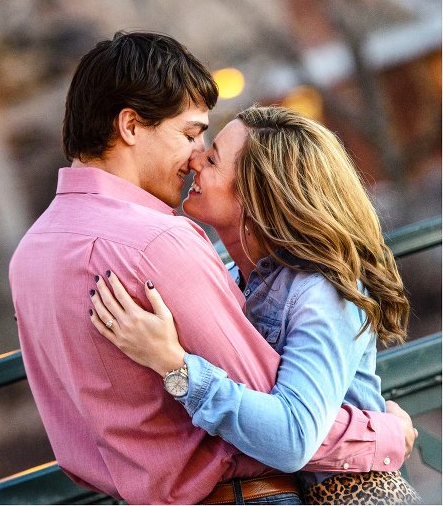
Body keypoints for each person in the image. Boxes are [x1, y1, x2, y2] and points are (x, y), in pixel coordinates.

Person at [9, 31, 415, 505]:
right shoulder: (160, 243)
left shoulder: (28, 258)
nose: (196, 157)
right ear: (131, 126)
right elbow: (286, 429)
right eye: (189, 133)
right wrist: (384, 435)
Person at [88, 105, 421, 504]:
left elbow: (293, 437)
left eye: (212, 159)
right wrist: (383, 434)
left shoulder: (320, 294)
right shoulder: (226, 279)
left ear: (254, 193)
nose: (195, 160)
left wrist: (174, 367)